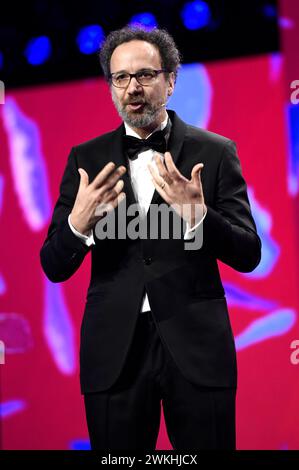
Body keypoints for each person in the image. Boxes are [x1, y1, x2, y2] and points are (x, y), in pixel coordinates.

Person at [40, 26, 261, 451]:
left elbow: (248, 253)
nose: (132, 88)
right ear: (110, 88)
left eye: (145, 75)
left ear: (171, 81)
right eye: (121, 78)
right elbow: (53, 265)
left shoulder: (214, 152)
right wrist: (77, 225)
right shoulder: (86, 159)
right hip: (114, 352)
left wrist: (199, 216)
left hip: (196, 345)